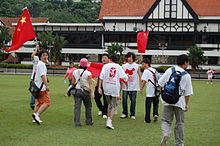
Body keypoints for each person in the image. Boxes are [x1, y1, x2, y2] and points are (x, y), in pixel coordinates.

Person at [158, 54, 193, 146]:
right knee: (180, 123)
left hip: (167, 100)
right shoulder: (186, 75)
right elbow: (187, 93)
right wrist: (186, 104)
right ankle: (179, 143)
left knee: (166, 120)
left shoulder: (170, 70)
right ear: (185, 62)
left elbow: (160, 83)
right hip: (179, 102)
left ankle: (165, 134)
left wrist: (163, 93)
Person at [99, 55, 128, 129]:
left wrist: (99, 87)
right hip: (114, 88)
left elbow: (101, 77)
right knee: (114, 106)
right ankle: (109, 121)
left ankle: (108, 119)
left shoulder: (105, 66)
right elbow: (124, 77)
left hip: (106, 87)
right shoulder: (118, 66)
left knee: (109, 104)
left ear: (110, 59)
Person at [72, 58, 94, 127]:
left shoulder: (75, 72)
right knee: (88, 106)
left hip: (77, 90)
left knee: (77, 107)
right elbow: (90, 84)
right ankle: (88, 121)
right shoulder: (88, 73)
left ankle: (77, 122)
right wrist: (92, 92)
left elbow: (73, 82)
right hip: (85, 91)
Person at [120, 52, 141, 120]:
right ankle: (125, 113)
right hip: (125, 86)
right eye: (128, 57)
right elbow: (121, 75)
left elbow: (139, 74)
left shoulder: (137, 66)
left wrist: (141, 83)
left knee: (133, 100)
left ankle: (132, 114)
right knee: (124, 99)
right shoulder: (124, 66)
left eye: (131, 57)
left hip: (134, 86)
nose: (129, 59)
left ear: (133, 58)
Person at [32, 50, 51, 125]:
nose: (45, 57)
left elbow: (43, 75)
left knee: (39, 103)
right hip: (41, 87)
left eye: (46, 55)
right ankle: (37, 115)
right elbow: (42, 76)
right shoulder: (42, 64)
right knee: (47, 102)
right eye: (43, 55)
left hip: (37, 86)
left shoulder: (39, 64)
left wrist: (46, 79)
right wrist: (46, 85)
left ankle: (35, 117)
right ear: (40, 56)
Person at [140, 58, 160, 123]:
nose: (142, 66)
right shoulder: (154, 70)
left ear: (146, 64)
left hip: (150, 90)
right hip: (156, 89)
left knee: (148, 105)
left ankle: (147, 119)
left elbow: (144, 81)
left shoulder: (146, 71)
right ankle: (155, 113)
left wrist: (141, 88)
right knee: (156, 103)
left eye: (143, 64)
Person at [94, 54, 109, 118]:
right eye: (103, 58)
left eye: (105, 57)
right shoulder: (100, 66)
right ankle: (101, 108)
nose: (104, 59)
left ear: (108, 59)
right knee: (96, 97)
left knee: (106, 99)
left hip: (107, 85)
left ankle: (104, 113)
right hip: (99, 85)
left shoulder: (110, 66)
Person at [29, 44, 40, 110]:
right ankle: (32, 104)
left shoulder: (42, 59)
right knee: (34, 91)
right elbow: (32, 55)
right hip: (34, 77)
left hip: (40, 78)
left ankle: (37, 103)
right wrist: (36, 48)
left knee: (39, 91)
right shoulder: (36, 58)